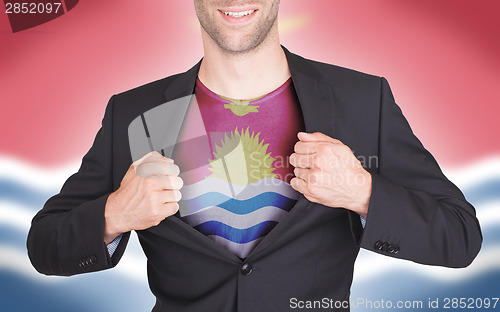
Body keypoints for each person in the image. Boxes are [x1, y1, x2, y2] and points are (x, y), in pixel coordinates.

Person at [27, 1, 482, 311]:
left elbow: (460, 237)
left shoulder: (362, 100)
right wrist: (114, 214)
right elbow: (45, 246)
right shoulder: (135, 113)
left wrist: (363, 192)